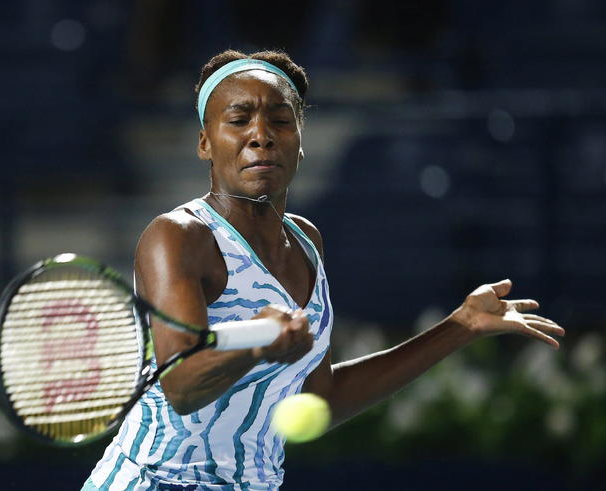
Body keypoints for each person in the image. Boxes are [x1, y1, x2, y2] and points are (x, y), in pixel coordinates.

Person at [83, 49, 564, 490]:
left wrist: (460, 327)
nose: (261, 135)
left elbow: (322, 397)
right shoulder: (178, 236)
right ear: (205, 143)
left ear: (300, 139)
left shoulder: (307, 242)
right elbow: (181, 384)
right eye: (239, 119)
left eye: (280, 120)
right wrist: (256, 343)